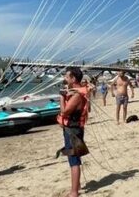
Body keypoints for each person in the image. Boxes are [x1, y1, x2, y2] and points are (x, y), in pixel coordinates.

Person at [57, 67, 89, 197]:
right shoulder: (76, 93)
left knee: (73, 159)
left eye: (66, 76)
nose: (65, 78)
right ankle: (77, 185)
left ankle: (74, 192)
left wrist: (61, 97)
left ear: (73, 79)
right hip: (73, 129)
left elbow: (64, 111)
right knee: (74, 156)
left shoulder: (76, 96)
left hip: (73, 130)